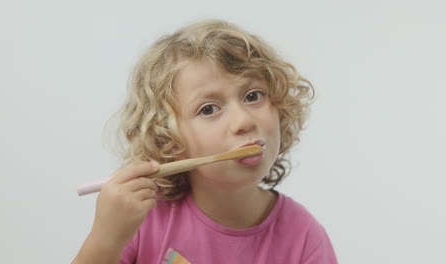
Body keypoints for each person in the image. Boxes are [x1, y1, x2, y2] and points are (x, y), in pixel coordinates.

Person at [72, 19, 338, 264]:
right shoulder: (140, 221)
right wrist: (106, 239)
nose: (243, 121)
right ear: (169, 139)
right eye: (209, 109)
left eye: (253, 95)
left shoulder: (304, 238)